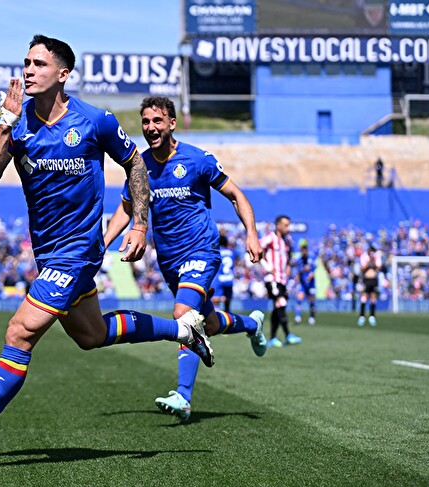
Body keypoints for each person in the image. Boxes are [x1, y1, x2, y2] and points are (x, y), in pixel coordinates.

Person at [0, 35, 212, 464]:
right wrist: (5, 121)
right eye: (26, 63)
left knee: (19, 333)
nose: (28, 70)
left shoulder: (95, 121)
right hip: (48, 253)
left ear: (63, 74)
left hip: (78, 251)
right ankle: (186, 331)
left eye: (39, 64)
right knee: (92, 336)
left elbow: (134, 162)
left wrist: (139, 223)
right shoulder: (18, 124)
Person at [103, 96, 266, 421]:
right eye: (146, 121)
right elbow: (126, 208)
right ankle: (252, 324)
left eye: (157, 121)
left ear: (172, 123)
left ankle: (183, 396)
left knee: (184, 316)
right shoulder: (140, 167)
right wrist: (104, 242)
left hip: (201, 250)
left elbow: (236, 195)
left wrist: (252, 233)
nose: (151, 127)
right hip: (169, 260)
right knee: (209, 323)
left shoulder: (197, 159)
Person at [261, 215, 302, 348]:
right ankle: (288, 335)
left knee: (279, 307)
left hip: (282, 279)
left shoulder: (287, 240)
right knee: (281, 302)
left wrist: (288, 267)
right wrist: (267, 266)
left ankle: (272, 338)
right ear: (278, 225)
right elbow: (256, 249)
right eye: (285, 225)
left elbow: (288, 256)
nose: (287, 228)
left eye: (288, 225)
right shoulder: (270, 237)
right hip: (272, 278)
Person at [293, 239, 317, 325]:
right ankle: (298, 317)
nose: (303, 250)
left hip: (311, 284)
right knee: (299, 299)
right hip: (303, 283)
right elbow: (299, 271)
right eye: (301, 248)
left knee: (312, 301)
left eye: (304, 248)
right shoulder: (299, 260)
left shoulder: (312, 257)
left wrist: (311, 275)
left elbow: (314, 269)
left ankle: (312, 317)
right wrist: (304, 270)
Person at [358, 245, 382, 326]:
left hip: (374, 280)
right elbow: (362, 268)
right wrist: (369, 262)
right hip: (366, 279)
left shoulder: (376, 257)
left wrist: (373, 261)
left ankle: (372, 316)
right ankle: (362, 316)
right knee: (364, 297)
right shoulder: (364, 257)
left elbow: (379, 268)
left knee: (373, 297)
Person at [212, 234, 236, 312]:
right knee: (228, 301)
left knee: (216, 301)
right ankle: (228, 314)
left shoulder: (216, 252)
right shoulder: (232, 252)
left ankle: (217, 316)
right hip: (229, 279)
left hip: (219, 279)